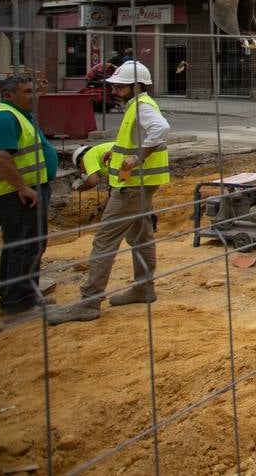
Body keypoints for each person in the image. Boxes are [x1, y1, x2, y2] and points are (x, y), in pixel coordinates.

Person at [47, 61, 169, 325]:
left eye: (119, 86)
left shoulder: (142, 106)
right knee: (141, 235)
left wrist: (137, 158)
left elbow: (161, 130)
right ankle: (143, 287)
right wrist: (119, 152)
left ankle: (89, 302)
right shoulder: (136, 106)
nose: (114, 90)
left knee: (104, 240)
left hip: (132, 186)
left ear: (137, 86)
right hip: (139, 184)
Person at [0, 75, 57, 318]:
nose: (34, 96)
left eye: (35, 91)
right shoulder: (3, 118)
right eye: (27, 91)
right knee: (23, 246)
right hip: (13, 195)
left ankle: (26, 297)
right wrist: (22, 187)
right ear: (9, 95)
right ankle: (16, 304)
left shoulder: (18, 115)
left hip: (25, 191)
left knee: (29, 244)